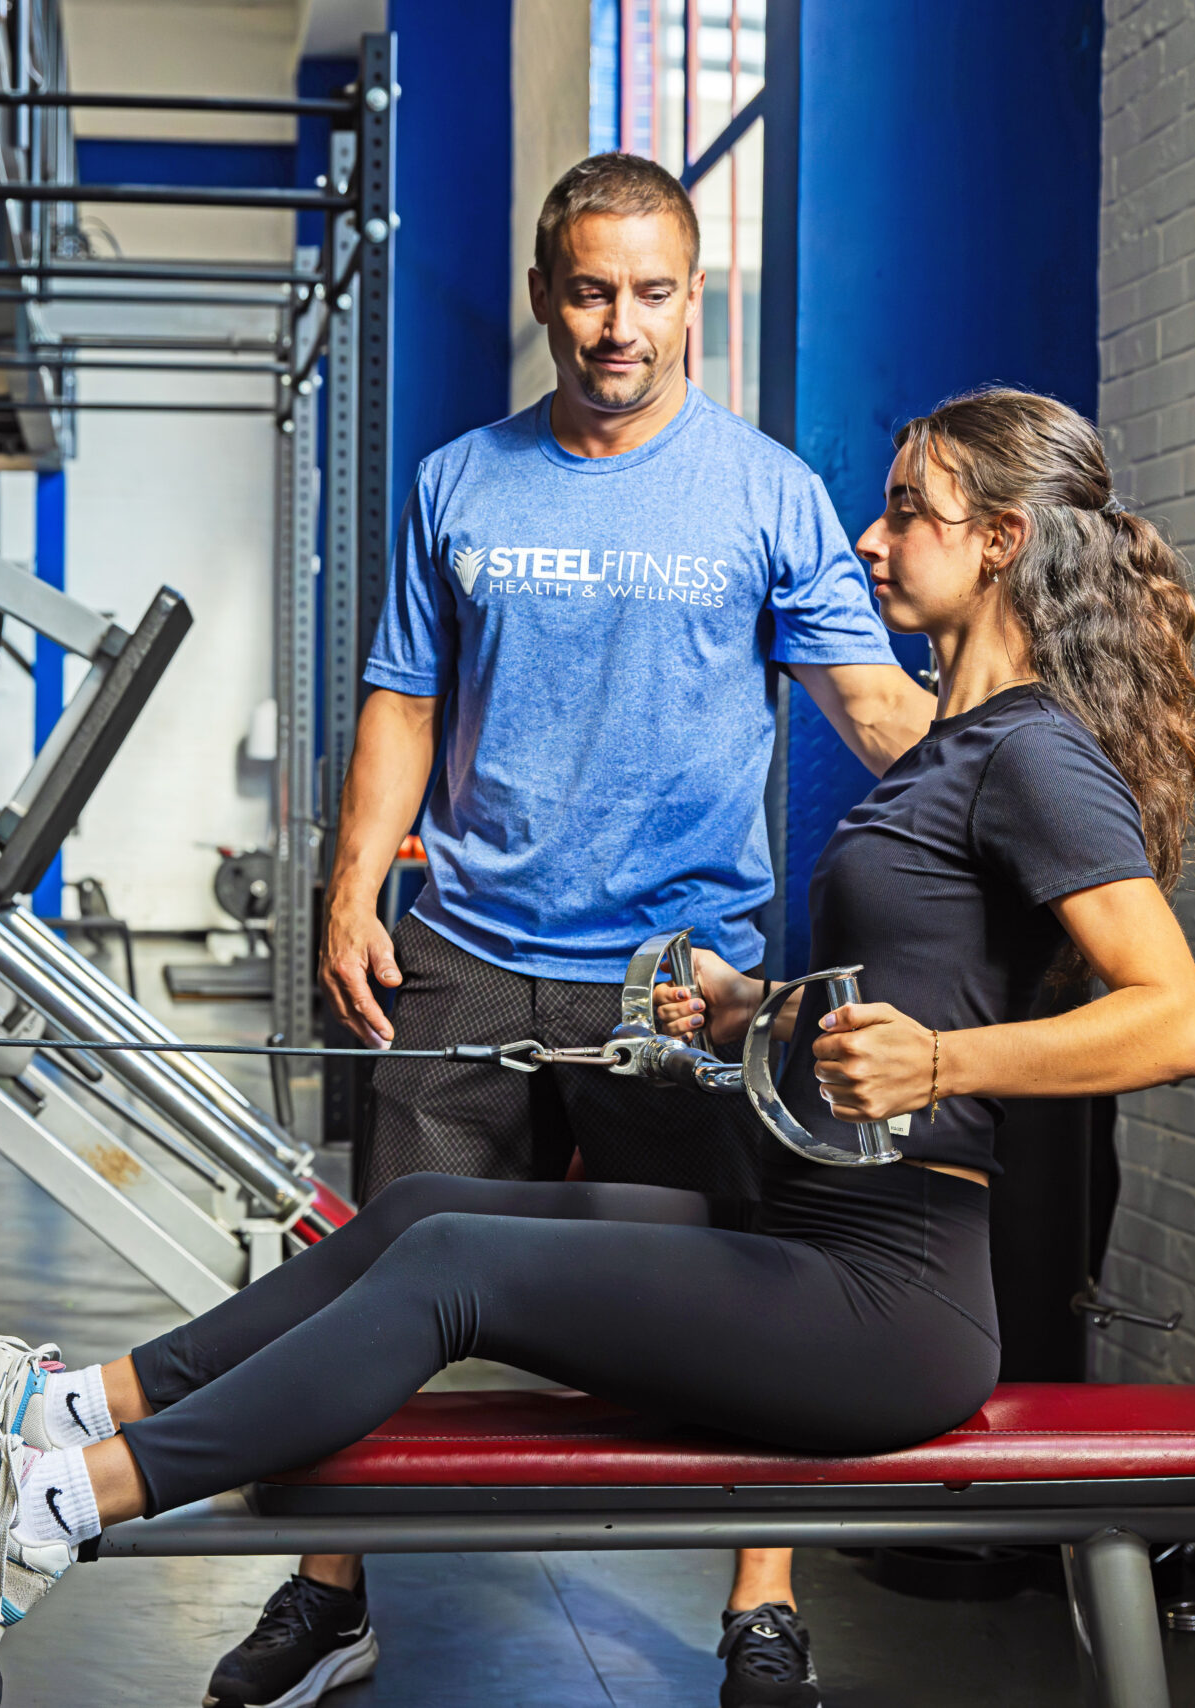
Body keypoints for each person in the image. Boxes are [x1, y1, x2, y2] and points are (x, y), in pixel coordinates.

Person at [0, 386, 1195, 1708]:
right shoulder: (953, 745)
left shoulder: (1034, 754)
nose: (871, 533)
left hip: (888, 1305)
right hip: (819, 1244)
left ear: (1003, 544)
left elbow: (1175, 1021)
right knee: (429, 1206)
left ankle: (39, 1516)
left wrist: (942, 1068)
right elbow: (924, 984)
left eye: (910, 508)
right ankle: (55, 1404)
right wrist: (757, 1011)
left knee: (456, 1268)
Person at [297, 149, 933, 1707]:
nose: (620, 324)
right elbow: (403, 697)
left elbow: (871, 709)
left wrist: (1039, 768)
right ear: (543, 298)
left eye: (653, 292)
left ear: (693, 298)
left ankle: (762, 1605)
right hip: (468, 944)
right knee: (387, 1273)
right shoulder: (460, 481)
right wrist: (351, 881)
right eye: (590, 291)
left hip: (687, 973)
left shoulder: (769, 490)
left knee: (739, 1292)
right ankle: (331, 1586)